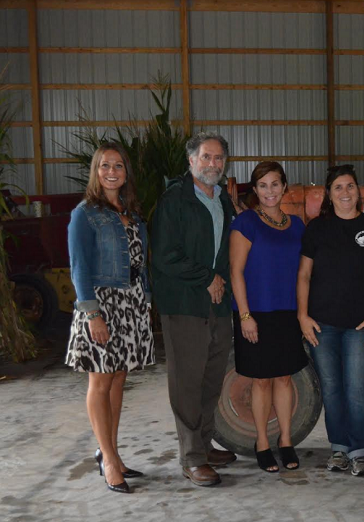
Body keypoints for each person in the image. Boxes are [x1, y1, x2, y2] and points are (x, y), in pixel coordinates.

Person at [297, 165, 364, 477]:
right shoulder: (316, 228)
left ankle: (359, 451)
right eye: (338, 187)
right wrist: (302, 315)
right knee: (331, 388)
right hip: (322, 325)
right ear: (329, 193)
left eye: (350, 186)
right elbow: (303, 275)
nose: (345, 192)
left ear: (359, 191)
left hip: (359, 326)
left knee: (356, 388)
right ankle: (339, 449)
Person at [66, 142, 154, 494]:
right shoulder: (84, 213)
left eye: (118, 165)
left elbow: (139, 262)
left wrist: (144, 301)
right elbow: (78, 267)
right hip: (101, 304)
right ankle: (109, 459)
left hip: (131, 302)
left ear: (126, 172)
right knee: (100, 382)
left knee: (118, 378)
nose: (112, 171)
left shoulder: (132, 214)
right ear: (96, 171)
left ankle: (110, 453)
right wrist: (92, 314)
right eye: (105, 165)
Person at [151, 132, 238, 487]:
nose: (213, 164)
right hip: (185, 304)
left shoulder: (223, 201)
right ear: (191, 161)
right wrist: (207, 278)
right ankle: (191, 457)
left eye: (218, 158)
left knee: (211, 377)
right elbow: (164, 254)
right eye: (206, 157)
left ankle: (203, 443)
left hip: (218, 306)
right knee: (186, 381)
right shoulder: (173, 201)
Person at [229, 161, 308, 473]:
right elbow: (235, 272)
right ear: (255, 190)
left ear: (284, 187)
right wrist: (245, 315)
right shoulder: (245, 223)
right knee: (261, 381)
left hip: (288, 312)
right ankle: (262, 442)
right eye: (263, 185)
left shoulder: (298, 225)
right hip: (256, 313)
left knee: (285, 377)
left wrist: (304, 312)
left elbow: (304, 273)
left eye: (275, 184)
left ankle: (286, 440)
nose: (270, 191)